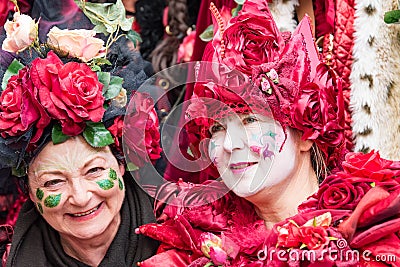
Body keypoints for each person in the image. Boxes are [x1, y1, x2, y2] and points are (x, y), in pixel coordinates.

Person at [135, 0, 400, 266]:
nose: (228, 144)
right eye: (217, 127)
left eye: (250, 120)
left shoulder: (374, 231)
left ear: (306, 132)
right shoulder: (194, 245)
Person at [0, 1, 161, 266]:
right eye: (53, 182)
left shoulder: (184, 242)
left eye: (94, 170)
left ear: (121, 164)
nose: (81, 197)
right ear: (28, 190)